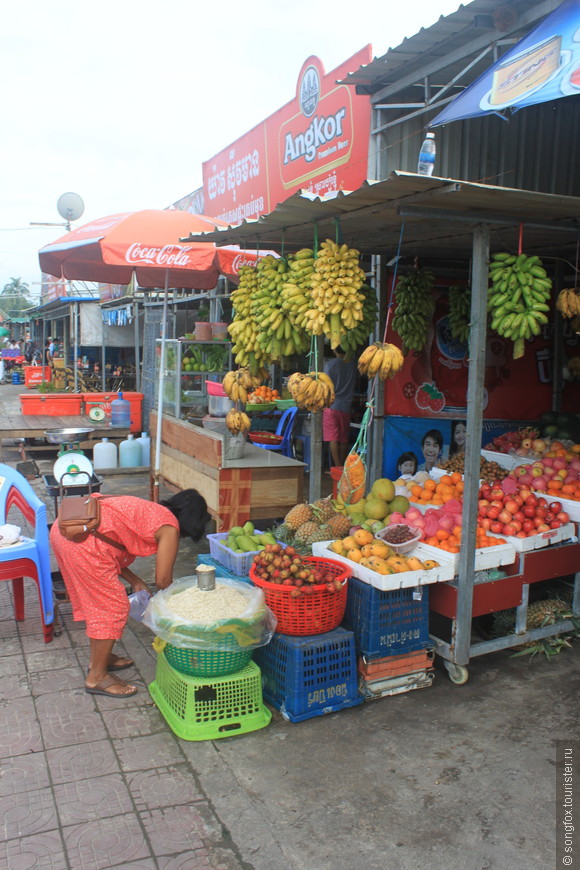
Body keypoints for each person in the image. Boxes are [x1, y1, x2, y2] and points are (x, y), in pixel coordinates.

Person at [50, 489, 211, 699]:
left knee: (98, 605)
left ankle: (100, 659)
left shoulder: (153, 511)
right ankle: (97, 677)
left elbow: (109, 540)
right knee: (112, 607)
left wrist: (135, 581)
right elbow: (163, 581)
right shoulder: (169, 527)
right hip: (82, 541)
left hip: (68, 529)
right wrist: (181, 607)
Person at [322, 346, 357, 468]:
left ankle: (337, 467)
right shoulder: (352, 365)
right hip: (346, 406)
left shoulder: (330, 365)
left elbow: (325, 386)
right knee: (343, 438)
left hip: (332, 406)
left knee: (333, 438)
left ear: (334, 349)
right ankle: (343, 465)